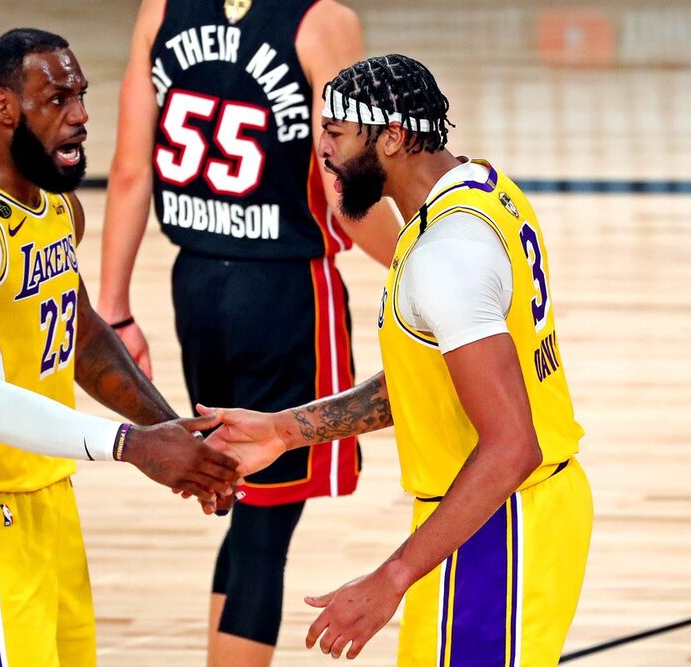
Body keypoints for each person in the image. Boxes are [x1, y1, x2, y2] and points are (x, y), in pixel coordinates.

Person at [203, 54, 593, 664]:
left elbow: (513, 445)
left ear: (392, 136)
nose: (322, 151)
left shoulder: (448, 254)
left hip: (501, 523)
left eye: (335, 133)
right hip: (491, 514)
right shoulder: (478, 186)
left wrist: (391, 577)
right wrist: (286, 429)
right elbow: (432, 379)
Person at [0, 28, 240, 667]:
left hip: (45, 499)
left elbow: (79, 334)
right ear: (3, 107)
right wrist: (133, 446)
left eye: (81, 95)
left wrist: (175, 434)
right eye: (57, 99)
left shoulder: (54, 206)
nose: (80, 115)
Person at [98, 1, 399, 665]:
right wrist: (416, 255)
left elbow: (127, 171)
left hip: (196, 287)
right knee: (266, 523)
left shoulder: (162, 9)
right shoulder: (323, 22)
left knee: (243, 495)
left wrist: (114, 309)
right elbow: (343, 181)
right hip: (283, 290)